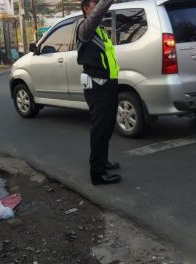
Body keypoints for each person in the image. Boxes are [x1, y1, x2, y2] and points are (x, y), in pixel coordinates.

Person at [77, 0, 121, 185]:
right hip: (97, 86)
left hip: (108, 83)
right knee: (99, 128)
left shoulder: (100, 30)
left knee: (108, 126)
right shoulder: (85, 28)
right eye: (95, 4)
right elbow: (97, 14)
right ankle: (97, 173)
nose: (98, 9)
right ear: (87, 9)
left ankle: (103, 162)